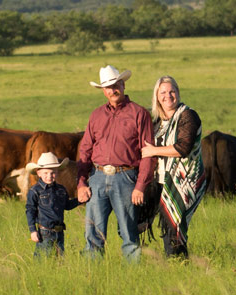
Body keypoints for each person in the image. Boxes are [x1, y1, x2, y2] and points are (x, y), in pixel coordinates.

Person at [77, 65, 154, 261]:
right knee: (93, 233)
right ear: (103, 90)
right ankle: (91, 276)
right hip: (98, 176)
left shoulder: (139, 114)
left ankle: (133, 277)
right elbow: (85, 150)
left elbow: (148, 153)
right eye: (108, 87)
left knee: (128, 232)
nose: (113, 90)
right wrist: (81, 182)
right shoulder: (96, 115)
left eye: (116, 84)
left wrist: (140, 186)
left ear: (123, 83)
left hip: (127, 177)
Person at [141, 75, 206, 257]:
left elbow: (183, 148)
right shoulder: (157, 121)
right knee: (156, 223)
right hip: (161, 179)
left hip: (183, 181)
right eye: (163, 92)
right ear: (156, 96)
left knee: (174, 226)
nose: (167, 96)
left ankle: (179, 264)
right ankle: (171, 262)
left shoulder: (188, 115)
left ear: (178, 93)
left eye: (172, 91)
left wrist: (154, 151)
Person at [25, 152, 80, 257]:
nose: (49, 176)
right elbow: (30, 210)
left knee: (59, 259)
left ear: (57, 172)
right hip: (44, 233)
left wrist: (80, 200)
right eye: (45, 173)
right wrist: (33, 230)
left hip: (59, 232)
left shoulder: (61, 189)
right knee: (43, 259)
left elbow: (67, 205)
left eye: (53, 173)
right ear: (38, 173)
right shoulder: (35, 191)